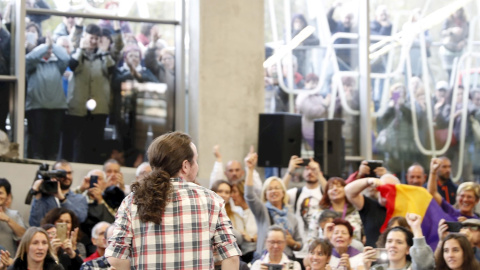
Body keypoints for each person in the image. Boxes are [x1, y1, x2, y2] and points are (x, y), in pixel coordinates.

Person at [105, 131, 241, 269]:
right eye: (196, 161)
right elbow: (231, 257)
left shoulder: (132, 201)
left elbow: (116, 257)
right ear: (186, 166)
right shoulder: (212, 200)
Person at [64, 22, 116, 164]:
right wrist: (81, 49)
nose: (93, 42)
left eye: (96, 39)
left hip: (98, 110)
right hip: (78, 109)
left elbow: (111, 71)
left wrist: (104, 52)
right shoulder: (78, 53)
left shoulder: (104, 56)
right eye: (90, 38)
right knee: (77, 145)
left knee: (95, 145)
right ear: (85, 37)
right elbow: (73, 66)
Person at [244, 152, 302, 260]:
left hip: (286, 260)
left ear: (283, 192)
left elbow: (300, 244)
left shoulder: (291, 217)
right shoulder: (262, 211)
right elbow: (249, 196)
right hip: (264, 259)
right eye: (270, 189)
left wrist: (292, 243)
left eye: (277, 188)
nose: (273, 191)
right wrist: (250, 170)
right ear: (265, 194)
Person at [25, 34, 70, 160]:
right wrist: (45, 46)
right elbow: (28, 58)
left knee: (54, 139)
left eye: (50, 49)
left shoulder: (57, 64)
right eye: (46, 48)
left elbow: (66, 58)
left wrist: (53, 45)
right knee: (37, 137)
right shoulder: (32, 65)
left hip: (57, 107)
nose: (48, 51)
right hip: (36, 107)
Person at [363, 213, 435, 270]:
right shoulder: (377, 268)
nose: (393, 245)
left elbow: (424, 264)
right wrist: (366, 268)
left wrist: (416, 228)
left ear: (408, 249)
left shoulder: (414, 267)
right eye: (389, 241)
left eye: (399, 242)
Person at [345, 174, 400, 247]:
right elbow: (348, 191)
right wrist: (368, 181)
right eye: (383, 188)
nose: (385, 192)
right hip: (372, 255)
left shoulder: (402, 210)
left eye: (390, 189)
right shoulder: (369, 205)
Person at [29, 160, 88, 227]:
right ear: (53, 175)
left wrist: (62, 199)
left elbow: (80, 218)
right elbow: (34, 223)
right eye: (62, 174)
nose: (67, 176)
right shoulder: (44, 198)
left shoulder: (80, 198)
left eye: (69, 173)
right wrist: (37, 196)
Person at [283, 155, 327, 240]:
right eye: (307, 169)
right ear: (303, 173)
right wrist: (289, 171)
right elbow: (279, 192)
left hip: (321, 243)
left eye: (313, 169)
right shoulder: (296, 193)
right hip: (300, 243)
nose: (310, 172)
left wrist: (318, 173)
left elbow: (331, 192)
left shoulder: (323, 192)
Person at [308, 178, 363, 242]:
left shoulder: (357, 213)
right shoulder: (318, 214)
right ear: (326, 193)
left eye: (339, 186)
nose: (335, 189)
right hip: (326, 251)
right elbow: (311, 240)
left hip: (354, 250)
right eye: (331, 188)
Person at [231, 180, 257, 263]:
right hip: (242, 255)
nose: (232, 195)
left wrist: (251, 238)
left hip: (256, 254)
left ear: (243, 192)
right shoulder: (236, 213)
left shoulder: (256, 212)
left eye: (235, 192)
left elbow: (265, 232)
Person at [439, 8, 469, 79]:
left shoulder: (466, 23)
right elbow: (442, 33)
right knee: (450, 74)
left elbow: (468, 37)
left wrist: (463, 42)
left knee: (459, 74)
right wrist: (451, 31)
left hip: (459, 52)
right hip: (448, 51)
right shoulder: (448, 20)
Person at [0, 178, 27, 255]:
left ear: (8, 196)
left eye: (0, 193)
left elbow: (24, 236)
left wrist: (8, 220)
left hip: (8, 262)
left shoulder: (14, 215)